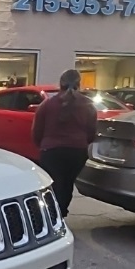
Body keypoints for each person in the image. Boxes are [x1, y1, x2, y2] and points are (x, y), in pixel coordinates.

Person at [31, 69, 98, 218]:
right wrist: (83, 143)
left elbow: (37, 131)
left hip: (52, 151)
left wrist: (42, 146)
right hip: (77, 151)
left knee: (54, 185)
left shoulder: (47, 105)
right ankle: (62, 211)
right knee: (67, 184)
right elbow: (92, 131)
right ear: (79, 84)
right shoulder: (88, 105)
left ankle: (52, 215)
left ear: (60, 84)